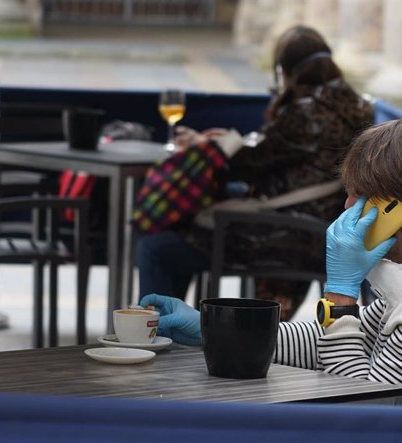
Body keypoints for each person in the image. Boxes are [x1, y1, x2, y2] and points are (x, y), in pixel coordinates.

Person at [139, 118, 402, 406]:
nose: (345, 207)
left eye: (358, 196)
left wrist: (341, 294)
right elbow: (331, 342)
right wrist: (214, 330)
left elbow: (361, 403)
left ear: (395, 209)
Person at [136, 25, 374, 320]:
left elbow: (248, 164)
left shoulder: (306, 112)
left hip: (288, 232)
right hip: (323, 223)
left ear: (284, 70)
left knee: (156, 247)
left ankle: (153, 331)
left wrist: (208, 144)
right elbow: (279, 154)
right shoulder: (359, 108)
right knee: (191, 219)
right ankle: (173, 327)